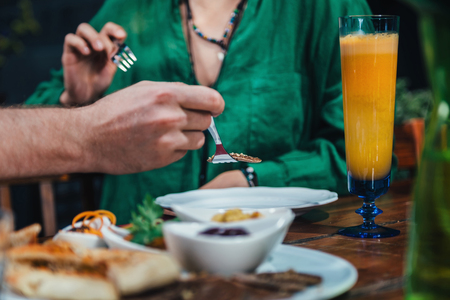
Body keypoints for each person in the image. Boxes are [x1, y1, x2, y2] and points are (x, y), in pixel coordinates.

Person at [25, 0, 373, 223]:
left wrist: (252, 182)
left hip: (285, 252)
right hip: (140, 250)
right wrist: (76, 98)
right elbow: (30, 138)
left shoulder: (325, 8)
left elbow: (361, 154)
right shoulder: (125, 11)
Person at [0, 81, 224, 180]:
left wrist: (252, 177)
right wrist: (81, 107)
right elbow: (33, 106)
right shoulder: (126, 9)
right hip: (127, 230)